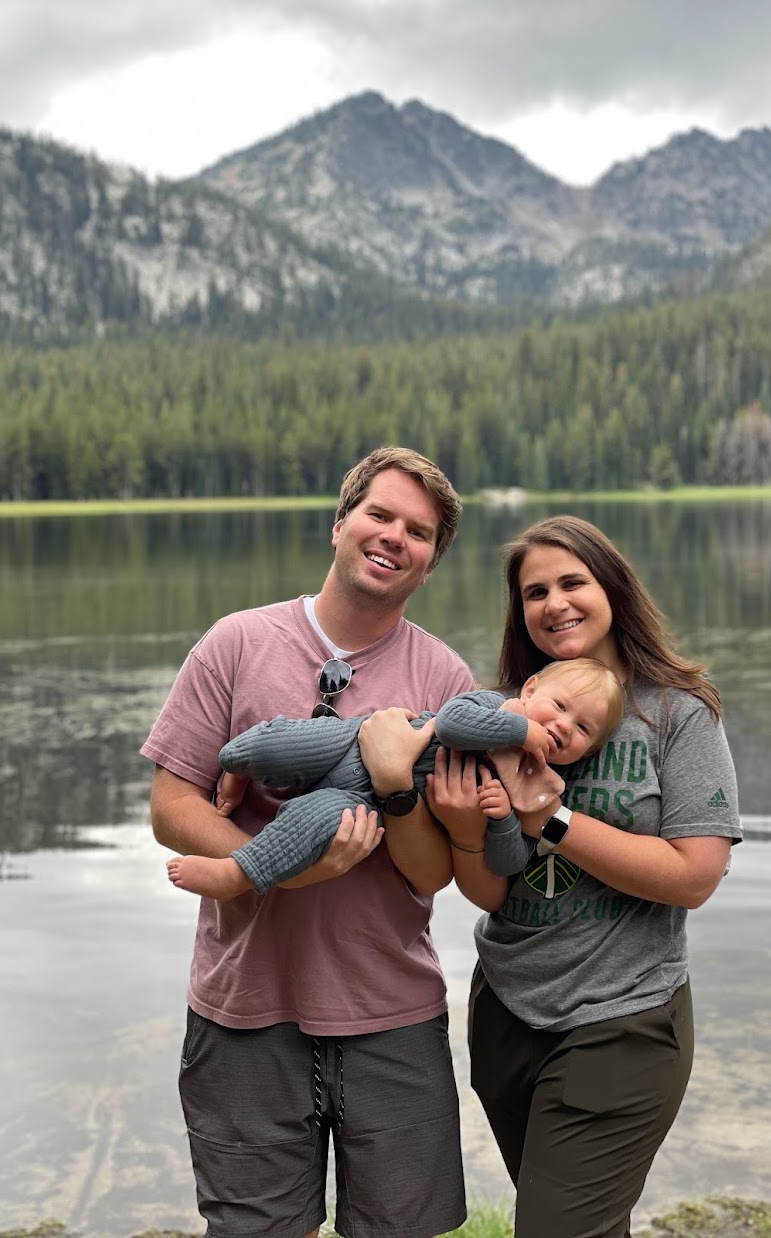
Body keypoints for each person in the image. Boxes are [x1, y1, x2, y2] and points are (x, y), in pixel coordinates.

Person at [142, 446, 477, 1238]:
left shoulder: (447, 681)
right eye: (380, 515)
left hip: (390, 1012)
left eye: (419, 533)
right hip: (244, 1010)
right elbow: (169, 802)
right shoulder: (235, 643)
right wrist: (274, 870)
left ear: (429, 564)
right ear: (340, 523)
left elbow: (434, 876)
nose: (395, 537)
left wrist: (394, 790)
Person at [424, 514, 743, 1238]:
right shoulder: (506, 718)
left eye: (573, 582)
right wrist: (470, 833)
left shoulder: (678, 715)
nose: (555, 603)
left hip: (624, 1017)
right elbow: (490, 893)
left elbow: (695, 877)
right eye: (535, 591)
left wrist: (553, 821)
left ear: (613, 589)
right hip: (507, 1008)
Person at [165, 657, 624, 900]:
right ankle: (235, 764)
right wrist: (521, 728)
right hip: (352, 741)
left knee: (320, 820)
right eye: (560, 707)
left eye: (581, 729)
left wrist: (503, 821)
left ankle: (238, 872)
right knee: (275, 746)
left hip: (365, 797)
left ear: (588, 749)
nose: (563, 726)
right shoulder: (492, 707)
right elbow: (450, 726)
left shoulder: (531, 785)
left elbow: (507, 865)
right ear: (530, 690)